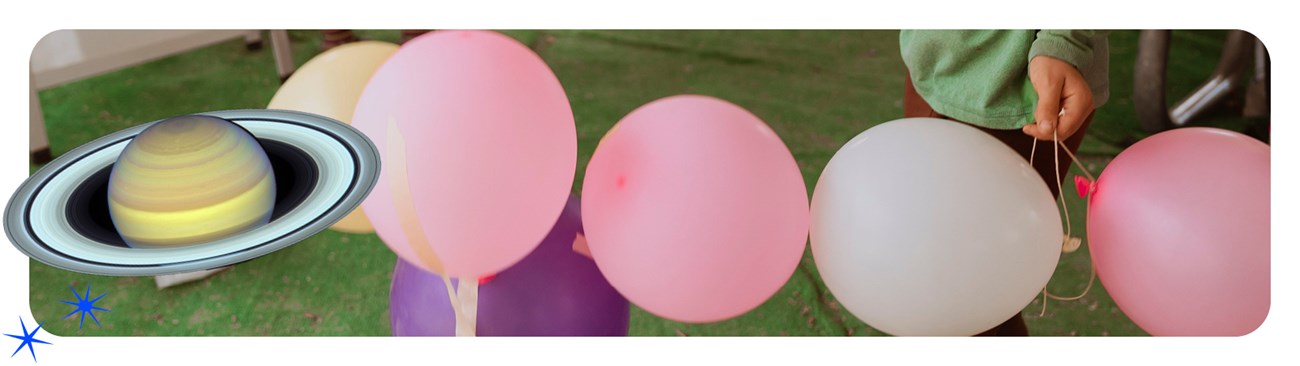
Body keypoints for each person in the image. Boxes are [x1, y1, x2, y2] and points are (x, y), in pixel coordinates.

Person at [899, 30, 1110, 336]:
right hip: (935, 54)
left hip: (1014, 84)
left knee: (965, 293)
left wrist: (1064, 41)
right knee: (940, 276)